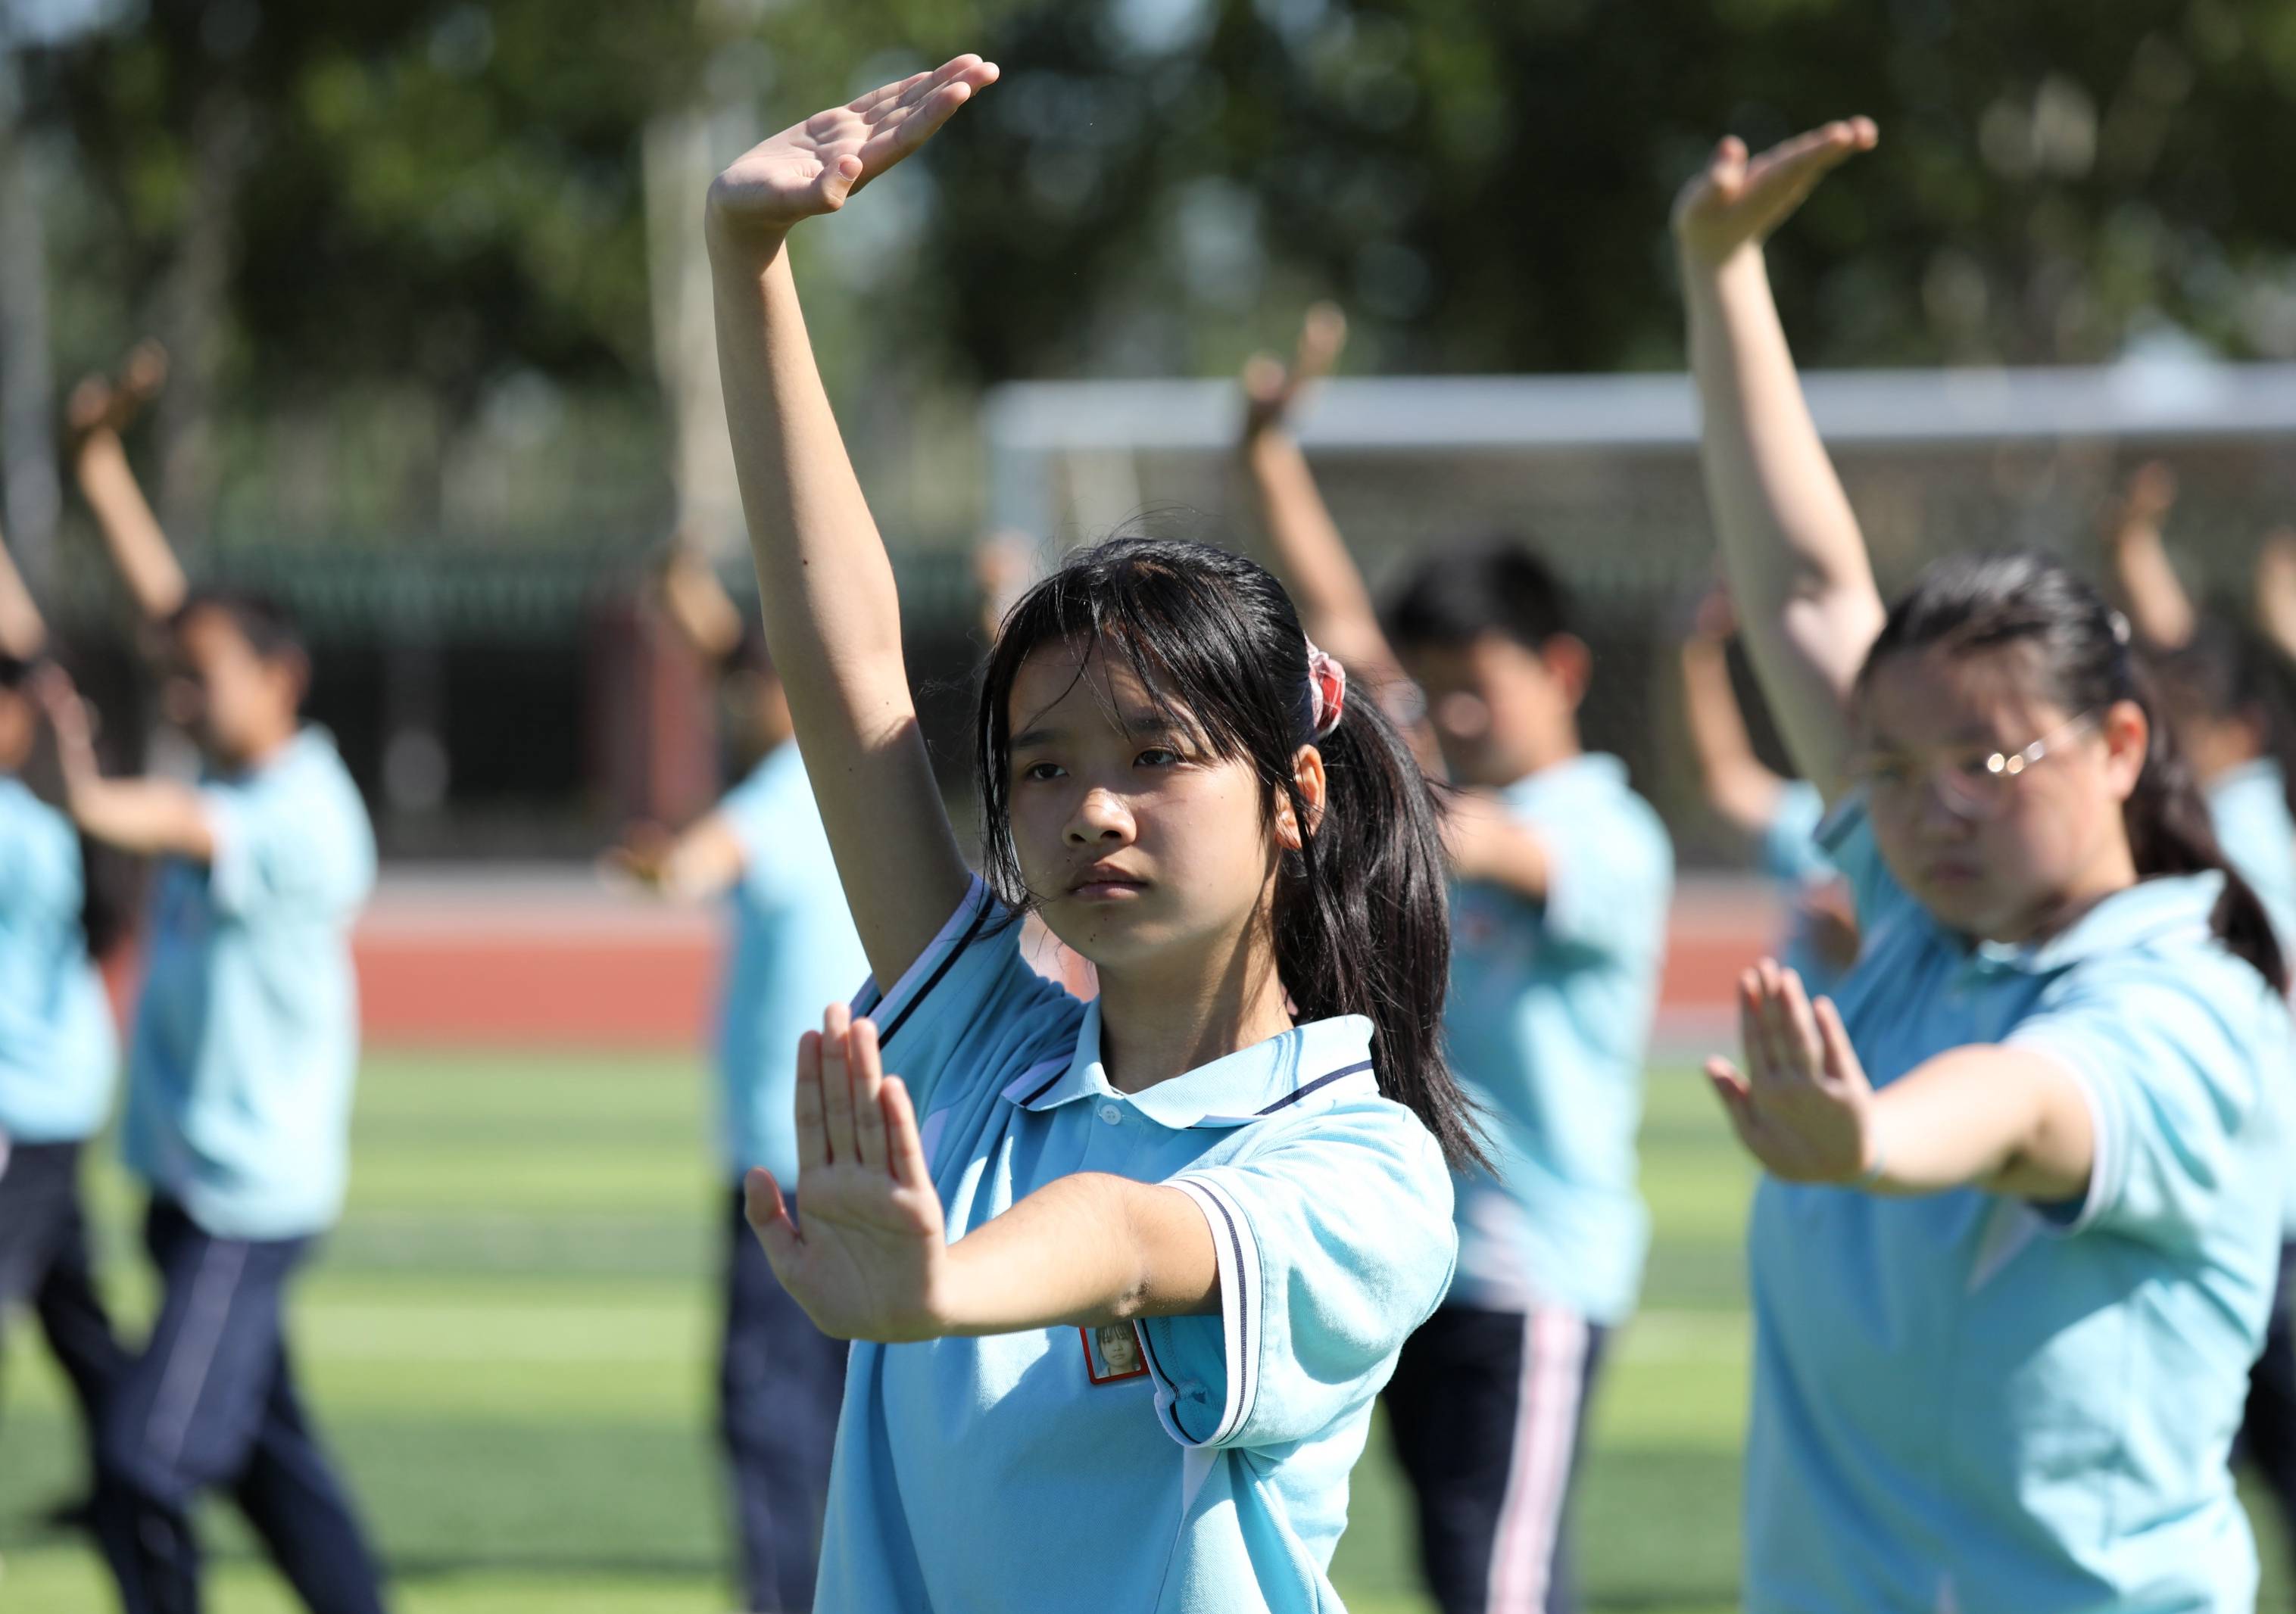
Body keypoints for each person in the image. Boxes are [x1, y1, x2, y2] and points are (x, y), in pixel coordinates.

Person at [705, 55, 1474, 1612]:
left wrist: (939, 1288)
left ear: (1294, 798)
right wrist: (748, 262)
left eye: (1152, 753)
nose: (1086, 808)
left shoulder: (1362, 1161)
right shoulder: (987, 1044)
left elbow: (1133, 1232)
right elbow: (848, 671)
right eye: (1040, 767)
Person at [1677, 116, 2292, 1611]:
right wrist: (1720, 274)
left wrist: (1871, 1140)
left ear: (2124, 746)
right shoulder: (1917, 911)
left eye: (1986, 762)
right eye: (1888, 769)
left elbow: (2025, 1106)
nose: (1929, 806)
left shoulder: (2187, 1008)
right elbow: (1815, 588)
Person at [1235, 304, 1674, 1614]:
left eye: (1474, 683)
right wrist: (1266, 453)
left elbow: (1487, 843)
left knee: (1502, 1579)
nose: (1452, 712)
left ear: (1562, 668)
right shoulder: (1443, 790)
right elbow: (1340, 635)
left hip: (1536, 1269)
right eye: (1433, 687)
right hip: (1419, 1253)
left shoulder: (1606, 832)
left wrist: (1367, 752)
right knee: (1451, 1563)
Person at [51, 368, 386, 1613]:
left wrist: (80, 784)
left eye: (199, 682)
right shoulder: (242, 755)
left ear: (280, 678)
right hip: (192, 1190)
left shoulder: (305, 816)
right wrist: (96, 471)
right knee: (266, 1460)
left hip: (247, 1203)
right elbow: (171, 616)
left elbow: (168, 818)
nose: (179, 698)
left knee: (143, 1463)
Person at [611, 541, 869, 1614]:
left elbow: (699, 862)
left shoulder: (779, 791)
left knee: (767, 1417)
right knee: (847, 1420)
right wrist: (693, 607)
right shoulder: (852, 785)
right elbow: (750, 663)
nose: (725, 705)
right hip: (861, 1151)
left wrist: (657, 864)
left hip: (784, 1167)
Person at [2100, 461, 2296, 1565]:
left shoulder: (2246, 822)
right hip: (2224, 1203)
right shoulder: (2217, 815)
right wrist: (2134, 549)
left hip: (2272, 1221)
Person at [0, 525, 127, 1525]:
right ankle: (131, 1480)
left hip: (25, 1109)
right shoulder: (56, 813)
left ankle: (138, 1474)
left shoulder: (26, 824)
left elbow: (35, 671)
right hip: (58, 1093)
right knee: (77, 1321)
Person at [1680, 583, 1858, 999]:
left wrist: (1869, 949)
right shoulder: (1819, 821)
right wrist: (1699, 650)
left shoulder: (1920, 830)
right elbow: (1725, 777)